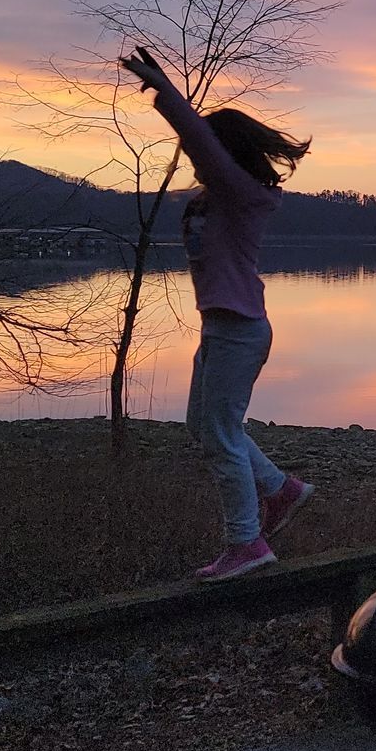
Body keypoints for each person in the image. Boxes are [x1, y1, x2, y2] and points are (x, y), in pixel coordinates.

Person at [121, 47, 315, 580]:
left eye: (202, 150)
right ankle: (281, 488)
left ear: (224, 152)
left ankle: (246, 542)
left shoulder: (240, 193)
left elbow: (203, 145)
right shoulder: (215, 197)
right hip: (223, 326)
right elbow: (205, 152)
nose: (190, 158)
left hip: (239, 328)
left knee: (222, 436)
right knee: (203, 427)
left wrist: (165, 94)